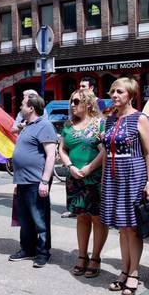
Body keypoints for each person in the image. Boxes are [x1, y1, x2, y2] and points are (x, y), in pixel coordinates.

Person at [101, 78, 149, 295]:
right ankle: (124, 270)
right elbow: (106, 152)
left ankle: (134, 272)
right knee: (122, 227)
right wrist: (104, 179)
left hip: (133, 175)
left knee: (132, 227)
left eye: (119, 92)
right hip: (114, 177)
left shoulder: (140, 118)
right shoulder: (109, 119)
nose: (114, 95)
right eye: (112, 91)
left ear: (130, 95)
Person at [58, 89, 107, 278]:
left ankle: (95, 257)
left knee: (96, 217)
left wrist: (90, 168)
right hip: (74, 178)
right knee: (81, 217)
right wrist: (69, 166)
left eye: (76, 101)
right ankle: (81, 255)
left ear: (88, 103)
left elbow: (105, 150)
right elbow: (62, 148)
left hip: (94, 177)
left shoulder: (100, 123)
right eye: (71, 101)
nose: (72, 105)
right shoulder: (69, 124)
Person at [9, 94, 58, 268]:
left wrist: (44, 181)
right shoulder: (27, 126)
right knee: (25, 218)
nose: (20, 108)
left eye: (22, 105)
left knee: (40, 218)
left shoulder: (44, 126)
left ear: (31, 108)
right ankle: (27, 248)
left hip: (36, 180)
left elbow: (51, 155)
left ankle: (43, 252)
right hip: (23, 180)